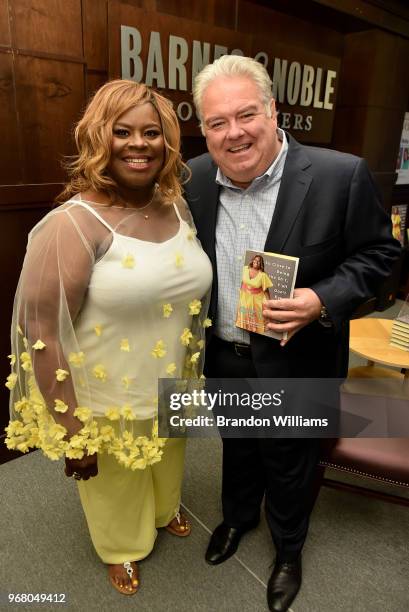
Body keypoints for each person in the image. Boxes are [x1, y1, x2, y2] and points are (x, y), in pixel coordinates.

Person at [184, 55, 400, 612]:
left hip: (299, 356)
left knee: (292, 458)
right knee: (238, 447)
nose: (233, 133)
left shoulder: (338, 174)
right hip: (226, 354)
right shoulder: (194, 178)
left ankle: (287, 549)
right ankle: (236, 520)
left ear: (273, 110)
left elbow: (380, 255)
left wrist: (322, 300)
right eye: (216, 122)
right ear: (203, 128)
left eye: (245, 114)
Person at [5, 80, 212, 595]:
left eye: (152, 132)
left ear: (167, 142)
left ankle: (164, 511)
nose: (138, 143)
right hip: (107, 396)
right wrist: (73, 428)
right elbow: (42, 332)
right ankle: (122, 548)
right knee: (115, 484)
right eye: (122, 132)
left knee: (168, 458)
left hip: (170, 384)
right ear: (99, 137)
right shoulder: (73, 225)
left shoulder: (177, 207)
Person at [236, 254, 273, 333]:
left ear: (261, 264)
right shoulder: (245, 269)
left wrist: (269, 304)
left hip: (256, 299)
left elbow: (266, 291)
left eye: (259, 261)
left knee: (256, 319)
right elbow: (240, 282)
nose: (256, 262)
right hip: (244, 297)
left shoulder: (263, 275)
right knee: (243, 317)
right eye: (255, 260)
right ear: (252, 260)